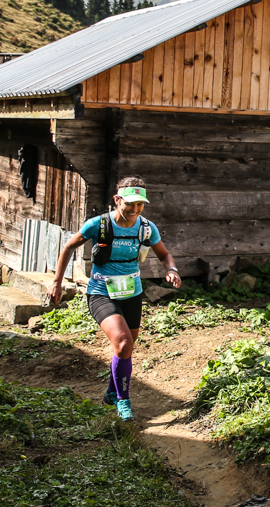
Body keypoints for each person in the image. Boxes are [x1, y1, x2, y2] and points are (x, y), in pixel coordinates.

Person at [49, 176, 181, 421]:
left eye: (140, 205)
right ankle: (123, 402)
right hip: (101, 292)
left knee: (126, 349)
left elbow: (164, 254)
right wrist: (57, 282)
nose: (134, 209)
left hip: (132, 293)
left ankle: (112, 391)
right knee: (122, 343)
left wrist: (171, 269)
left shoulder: (146, 228)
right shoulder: (99, 225)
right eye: (129, 203)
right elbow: (68, 247)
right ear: (117, 199)